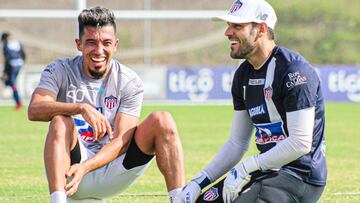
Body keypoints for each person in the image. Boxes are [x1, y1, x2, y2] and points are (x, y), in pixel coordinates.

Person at [28, 6, 185, 203]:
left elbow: (121, 141)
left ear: (116, 45)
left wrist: (87, 167)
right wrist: (81, 108)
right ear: (79, 44)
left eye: (106, 43)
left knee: (162, 120)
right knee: (60, 121)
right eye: (91, 43)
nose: (99, 50)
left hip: (113, 170)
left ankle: (180, 199)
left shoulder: (129, 81)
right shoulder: (60, 70)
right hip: (69, 171)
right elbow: (34, 109)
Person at [175, 0, 327, 202]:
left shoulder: (294, 71)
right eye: (229, 25)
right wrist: (198, 182)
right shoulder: (242, 75)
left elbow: (300, 143)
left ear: (262, 29)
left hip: (299, 177)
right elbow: (237, 143)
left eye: (237, 26)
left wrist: (248, 166)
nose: (227, 33)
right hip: (264, 171)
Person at [1, 32, 26, 110]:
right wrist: (23, 63)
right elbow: (23, 54)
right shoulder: (17, 43)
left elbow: (7, 59)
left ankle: (18, 103)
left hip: (11, 66)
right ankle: (18, 102)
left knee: (12, 83)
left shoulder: (6, 45)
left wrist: (5, 72)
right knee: (11, 83)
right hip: (19, 65)